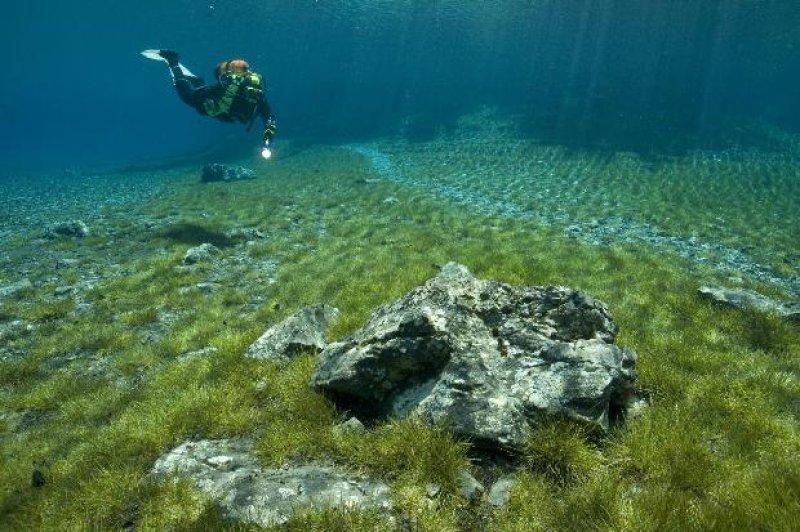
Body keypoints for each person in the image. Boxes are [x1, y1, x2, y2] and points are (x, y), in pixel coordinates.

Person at [143, 49, 277, 159]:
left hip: (221, 107)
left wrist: (266, 144)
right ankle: (173, 61)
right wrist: (267, 144)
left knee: (191, 96)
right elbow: (269, 120)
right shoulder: (258, 97)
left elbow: (269, 119)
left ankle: (190, 76)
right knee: (189, 96)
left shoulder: (230, 90)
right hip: (221, 108)